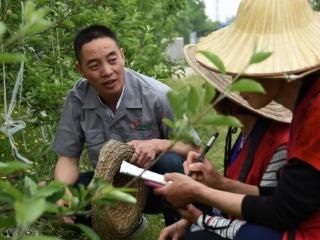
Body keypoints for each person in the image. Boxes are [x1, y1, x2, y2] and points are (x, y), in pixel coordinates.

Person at [155, 0, 320, 239]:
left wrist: (198, 193)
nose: (232, 79)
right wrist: (220, 183)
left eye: (241, 66)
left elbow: (281, 211)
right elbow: (285, 195)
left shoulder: (314, 114)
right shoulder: (306, 106)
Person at [52, 25, 198, 226]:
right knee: (55, 196)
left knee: (171, 162)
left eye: (112, 60)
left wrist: (157, 144)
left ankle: (181, 227)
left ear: (122, 56)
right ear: (81, 70)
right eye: (94, 66)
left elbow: (194, 149)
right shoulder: (77, 99)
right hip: (108, 186)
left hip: (153, 186)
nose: (107, 71)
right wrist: (62, 190)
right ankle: (130, 226)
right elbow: (68, 158)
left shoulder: (157, 95)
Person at [159, 83, 291, 239]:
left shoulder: (280, 144)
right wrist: (187, 221)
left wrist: (199, 219)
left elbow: (268, 223)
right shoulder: (247, 133)